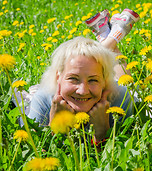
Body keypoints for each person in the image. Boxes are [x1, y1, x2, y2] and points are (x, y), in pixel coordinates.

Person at [27, 8, 140, 142]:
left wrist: (102, 131)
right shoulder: (43, 100)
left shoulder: (119, 98)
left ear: (104, 81)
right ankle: (113, 34)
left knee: (128, 85)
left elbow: (121, 150)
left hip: (114, 88)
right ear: (58, 77)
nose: (83, 90)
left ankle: (108, 35)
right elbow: (36, 152)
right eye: (73, 79)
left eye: (93, 80)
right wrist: (55, 127)